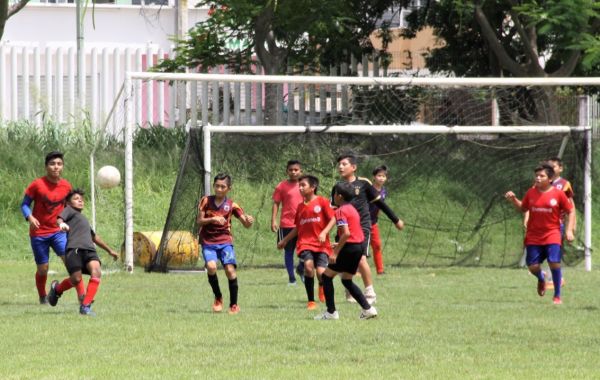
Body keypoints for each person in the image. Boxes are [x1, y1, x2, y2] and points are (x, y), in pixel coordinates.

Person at [332, 154, 404, 305]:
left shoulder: (364, 185)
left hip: (363, 227)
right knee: (345, 260)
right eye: (339, 164)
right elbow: (334, 210)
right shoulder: (337, 187)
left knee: (361, 258)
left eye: (344, 164)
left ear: (354, 167)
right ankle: (350, 289)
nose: (340, 167)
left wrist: (396, 220)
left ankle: (370, 292)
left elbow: (380, 204)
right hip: (344, 228)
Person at [505, 163, 575, 305]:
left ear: (549, 179)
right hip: (534, 235)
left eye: (541, 176)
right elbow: (523, 207)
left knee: (554, 262)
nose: (538, 178)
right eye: (536, 176)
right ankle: (541, 278)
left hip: (552, 233)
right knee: (532, 267)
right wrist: (513, 200)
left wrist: (568, 230)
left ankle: (557, 296)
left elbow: (571, 210)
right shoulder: (531, 193)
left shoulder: (558, 193)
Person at [20, 151, 85, 305]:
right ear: (46, 166)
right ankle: (43, 296)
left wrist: (70, 222)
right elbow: (24, 205)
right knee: (43, 269)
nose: (56, 167)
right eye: (52, 164)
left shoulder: (66, 186)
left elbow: (68, 208)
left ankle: (82, 296)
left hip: (58, 233)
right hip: (39, 234)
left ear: (62, 166)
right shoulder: (37, 185)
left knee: (72, 263)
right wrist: (30, 216)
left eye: (59, 164)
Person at [47, 189, 119, 316]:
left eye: (81, 198)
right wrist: (62, 224)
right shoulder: (69, 210)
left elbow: (94, 237)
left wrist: (109, 250)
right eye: (76, 198)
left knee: (96, 271)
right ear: (68, 203)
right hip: (74, 249)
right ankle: (57, 289)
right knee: (75, 279)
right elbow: (59, 218)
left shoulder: (83, 219)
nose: (80, 200)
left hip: (90, 250)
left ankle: (85, 306)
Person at [315, 182, 378, 320]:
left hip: (350, 247)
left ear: (339, 196)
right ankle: (368, 309)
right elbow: (353, 232)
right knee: (347, 280)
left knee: (326, 277)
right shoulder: (352, 208)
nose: (333, 196)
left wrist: (336, 251)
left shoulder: (340, 211)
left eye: (334, 194)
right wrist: (342, 244)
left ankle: (331, 312)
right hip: (358, 246)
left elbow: (346, 233)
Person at [197, 173, 254, 315]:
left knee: (229, 270)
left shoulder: (232, 205)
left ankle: (234, 304)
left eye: (223, 187)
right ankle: (218, 297)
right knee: (211, 267)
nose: (219, 189)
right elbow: (199, 221)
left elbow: (245, 223)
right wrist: (213, 219)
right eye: (217, 186)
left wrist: (248, 221)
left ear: (228, 188)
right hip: (208, 241)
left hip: (225, 242)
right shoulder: (205, 201)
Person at [277, 175, 336, 310]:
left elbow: (333, 219)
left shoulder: (322, 202)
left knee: (321, 273)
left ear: (313, 187)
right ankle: (311, 301)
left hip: (321, 244)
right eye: (300, 185)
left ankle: (321, 286)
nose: (300, 187)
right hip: (305, 243)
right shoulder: (300, 207)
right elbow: (298, 227)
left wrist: (324, 232)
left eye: (303, 185)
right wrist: (285, 240)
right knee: (309, 268)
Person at [271, 160, 304, 285]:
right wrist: (273, 220)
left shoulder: (305, 185)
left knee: (305, 250)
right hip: (287, 224)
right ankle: (291, 279)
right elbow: (276, 204)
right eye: (291, 170)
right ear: (287, 171)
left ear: (301, 171)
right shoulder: (281, 186)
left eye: (296, 170)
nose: (293, 172)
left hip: (304, 224)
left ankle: (301, 269)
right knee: (288, 251)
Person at [369, 165, 389, 275]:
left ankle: (380, 270)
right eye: (379, 175)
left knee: (377, 245)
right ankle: (356, 269)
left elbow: (381, 206)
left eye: (383, 176)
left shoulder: (384, 191)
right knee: (360, 248)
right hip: (362, 222)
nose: (381, 178)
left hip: (373, 223)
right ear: (374, 177)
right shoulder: (368, 190)